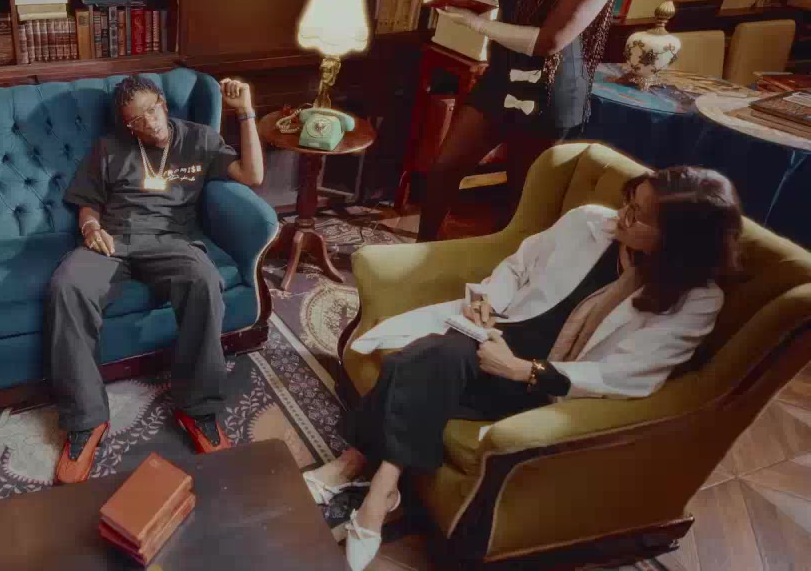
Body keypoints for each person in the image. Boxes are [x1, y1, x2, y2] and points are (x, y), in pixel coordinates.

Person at [306, 167, 742, 571]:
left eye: (639, 215)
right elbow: (519, 265)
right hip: (499, 333)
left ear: (680, 241)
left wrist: (521, 370)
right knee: (433, 356)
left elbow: (627, 374)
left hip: (548, 381)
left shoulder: (696, 301)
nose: (622, 216)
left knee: (418, 362)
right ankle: (381, 490)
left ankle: (357, 471)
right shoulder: (589, 221)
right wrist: (488, 301)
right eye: (630, 200)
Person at [48, 74, 264, 484]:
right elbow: (87, 203)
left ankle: (197, 408)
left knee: (205, 281)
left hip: (172, 241)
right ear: (127, 125)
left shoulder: (198, 139)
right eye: (137, 120)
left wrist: (246, 112)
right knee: (66, 286)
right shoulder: (108, 148)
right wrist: (91, 229)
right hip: (114, 240)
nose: (149, 123)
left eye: (152, 110)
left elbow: (252, 175)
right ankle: (86, 420)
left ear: (163, 103)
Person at [420, 0, 622, 241]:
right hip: (502, 75)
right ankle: (421, 250)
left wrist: (476, 24)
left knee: (522, 198)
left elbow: (549, 41)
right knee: (445, 167)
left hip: (550, 90)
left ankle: (506, 269)